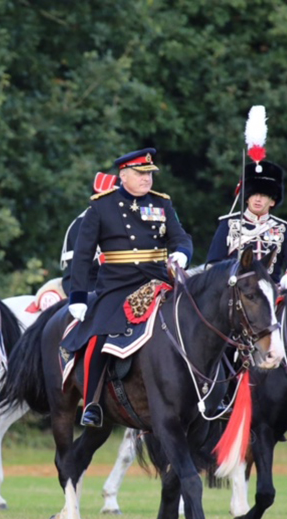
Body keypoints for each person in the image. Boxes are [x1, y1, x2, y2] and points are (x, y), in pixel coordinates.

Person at [62, 148, 193, 427]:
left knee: (198, 318)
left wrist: (182, 252)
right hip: (118, 284)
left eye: (150, 174)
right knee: (99, 333)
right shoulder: (101, 205)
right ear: (123, 175)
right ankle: (93, 403)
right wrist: (78, 296)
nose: (147, 179)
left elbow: (181, 237)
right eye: (140, 173)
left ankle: (210, 392)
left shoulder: (162, 204)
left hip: (158, 279)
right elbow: (83, 254)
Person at [206, 160, 287, 289]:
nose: (258, 199)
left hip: (271, 292)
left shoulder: (281, 228)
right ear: (247, 198)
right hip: (235, 293)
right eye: (253, 194)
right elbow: (212, 264)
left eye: (264, 195)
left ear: (272, 202)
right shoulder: (229, 224)